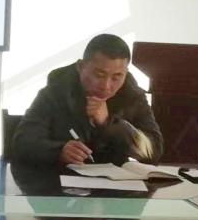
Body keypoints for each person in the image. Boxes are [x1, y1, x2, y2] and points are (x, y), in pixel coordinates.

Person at [12, 34, 163, 167]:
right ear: (81, 66)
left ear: (125, 73)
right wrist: (58, 151)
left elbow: (154, 151)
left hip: (115, 186)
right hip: (61, 181)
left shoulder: (133, 96)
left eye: (117, 77)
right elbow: (23, 142)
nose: (106, 86)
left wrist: (109, 123)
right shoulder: (55, 93)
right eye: (99, 75)